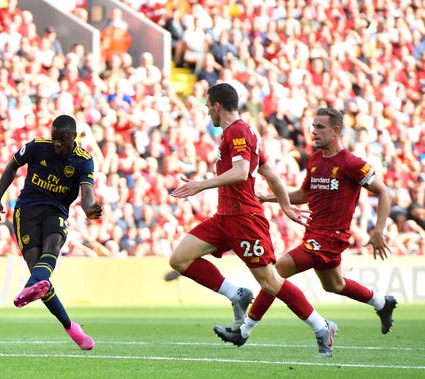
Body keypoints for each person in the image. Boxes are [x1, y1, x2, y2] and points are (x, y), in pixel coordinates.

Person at [169, 83, 337, 357]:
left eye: (208, 107)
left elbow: (241, 172)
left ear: (217, 106)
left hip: (244, 218)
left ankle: (322, 327)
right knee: (179, 259)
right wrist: (285, 205)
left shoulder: (237, 131)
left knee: (271, 283)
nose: (207, 112)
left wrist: (202, 184)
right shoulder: (243, 133)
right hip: (224, 217)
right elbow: (270, 173)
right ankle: (236, 294)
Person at [215, 108, 397, 346]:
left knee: (277, 271)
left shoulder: (351, 163)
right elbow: (303, 194)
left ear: (336, 131)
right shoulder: (314, 160)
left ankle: (244, 331)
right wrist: (269, 197)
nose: (314, 132)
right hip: (314, 233)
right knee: (335, 285)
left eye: (320, 127)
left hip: (331, 238)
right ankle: (383, 303)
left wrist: (378, 230)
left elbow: (383, 191)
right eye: (313, 127)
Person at [0, 115, 103, 350]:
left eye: (63, 139)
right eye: (55, 139)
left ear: (74, 137)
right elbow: (12, 167)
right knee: (40, 277)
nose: (57, 144)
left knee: (52, 248)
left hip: (56, 212)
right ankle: (71, 326)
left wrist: (90, 208)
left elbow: (86, 194)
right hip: (26, 211)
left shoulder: (83, 161)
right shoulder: (37, 147)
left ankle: (31, 288)